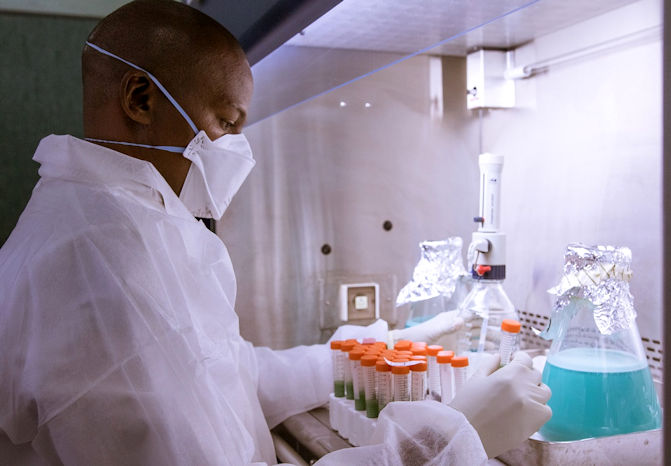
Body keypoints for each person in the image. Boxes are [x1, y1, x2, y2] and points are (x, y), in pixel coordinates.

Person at [0, 1, 551, 464]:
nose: (235, 147)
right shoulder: (96, 256)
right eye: (227, 122)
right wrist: (450, 439)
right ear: (140, 99)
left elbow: (234, 378)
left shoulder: (131, 221)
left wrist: (379, 347)